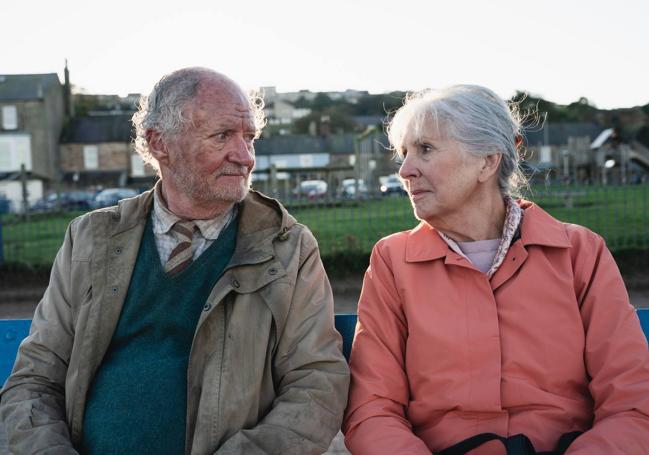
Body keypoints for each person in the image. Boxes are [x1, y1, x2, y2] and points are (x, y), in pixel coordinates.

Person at [0, 67, 349, 454]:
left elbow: (317, 384)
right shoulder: (90, 239)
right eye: (222, 136)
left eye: (249, 137)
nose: (245, 156)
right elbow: (34, 381)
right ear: (158, 143)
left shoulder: (288, 248)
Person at [342, 85, 649, 454]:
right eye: (404, 153)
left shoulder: (579, 253)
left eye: (425, 149)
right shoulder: (392, 260)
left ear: (488, 160)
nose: (406, 170)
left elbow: (632, 402)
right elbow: (372, 409)